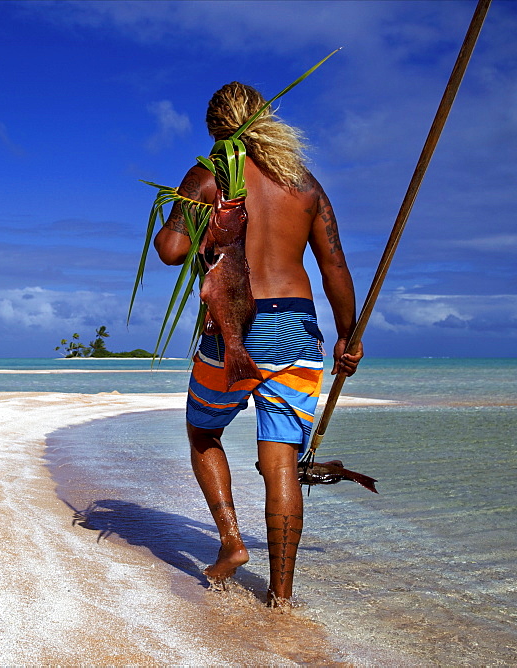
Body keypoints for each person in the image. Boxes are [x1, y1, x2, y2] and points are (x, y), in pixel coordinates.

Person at [153, 82, 363, 606]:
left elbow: (171, 251)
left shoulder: (209, 176)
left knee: (203, 433)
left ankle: (231, 543)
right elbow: (334, 266)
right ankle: (282, 597)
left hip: (236, 327)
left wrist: (181, 206)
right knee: (282, 460)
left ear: (218, 127)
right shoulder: (305, 183)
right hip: (295, 325)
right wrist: (347, 336)